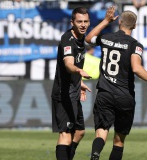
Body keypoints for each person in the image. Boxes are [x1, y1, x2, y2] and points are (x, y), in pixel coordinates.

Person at [85, 6, 147, 160]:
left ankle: (95, 155)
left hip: (105, 93)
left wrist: (105, 21)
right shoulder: (135, 45)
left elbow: (88, 39)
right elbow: (136, 68)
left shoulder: (106, 38)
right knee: (119, 140)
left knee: (101, 131)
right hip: (125, 96)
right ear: (135, 26)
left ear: (119, 22)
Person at [51, 7, 92, 160]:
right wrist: (78, 71)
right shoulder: (67, 39)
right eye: (79, 21)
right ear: (72, 22)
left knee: (79, 132)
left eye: (86, 21)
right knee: (66, 135)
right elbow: (68, 63)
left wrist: (78, 82)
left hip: (73, 90)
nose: (83, 25)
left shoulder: (81, 37)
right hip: (64, 93)